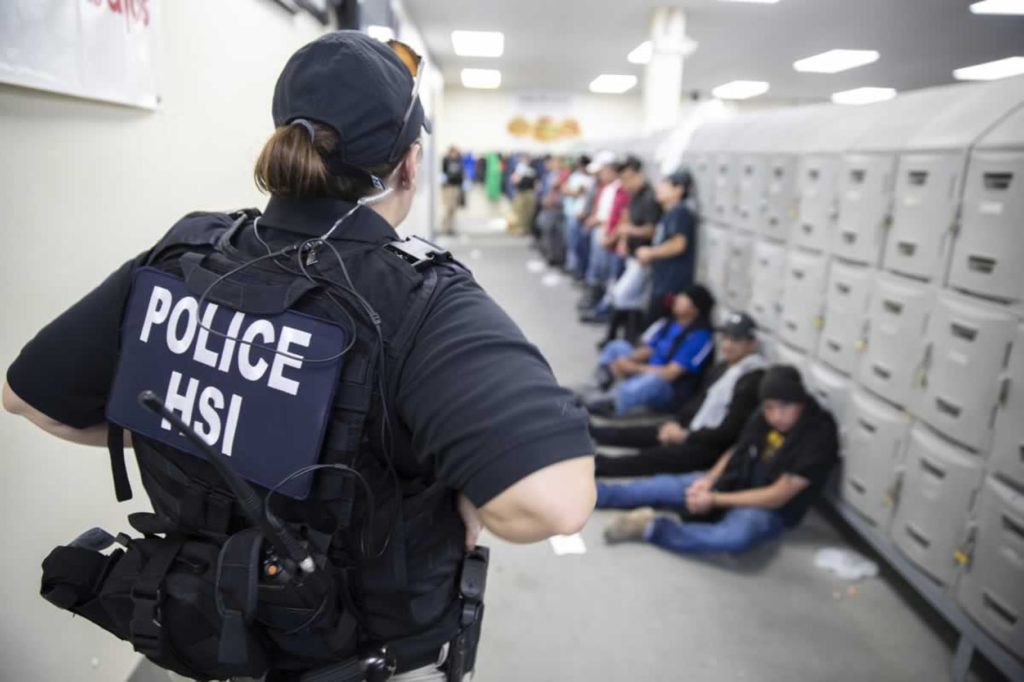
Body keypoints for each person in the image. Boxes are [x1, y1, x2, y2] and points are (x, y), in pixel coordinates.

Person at [2, 32, 595, 682]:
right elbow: (553, 503)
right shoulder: (419, 297)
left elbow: (30, 399)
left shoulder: (191, 249)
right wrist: (468, 495)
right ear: (410, 164)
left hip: (192, 628)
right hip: (354, 657)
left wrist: (189, 422)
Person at [597, 365, 839, 556]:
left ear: (800, 401)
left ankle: (650, 528)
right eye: (769, 408)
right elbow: (738, 449)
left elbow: (778, 495)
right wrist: (710, 479)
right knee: (660, 486)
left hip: (767, 508)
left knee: (734, 537)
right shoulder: (763, 416)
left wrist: (714, 499)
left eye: (785, 407)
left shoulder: (818, 434)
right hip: (735, 480)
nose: (776, 416)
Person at [593, 312, 766, 477]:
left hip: (709, 447)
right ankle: (592, 433)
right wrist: (676, 424)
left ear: (751, 344)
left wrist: (686, 436)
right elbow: (699, 402)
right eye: (726, 338)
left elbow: (728, 431)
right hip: (692, 429)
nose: (727, 345)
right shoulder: (724, 367)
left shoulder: (752, 378)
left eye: (736, 340)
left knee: (654, 458)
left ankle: (599, 465)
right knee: (646, 433)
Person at [587, 284, 716, 417]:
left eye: (684, 298)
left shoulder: (700, 337)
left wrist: (633, 368)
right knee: (618, 347)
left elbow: (670, 373)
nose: (677, 299)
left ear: (695, 308)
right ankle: (598, 384)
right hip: (649, 369)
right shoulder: (670, 323)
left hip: (669, 388)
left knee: (653, 381)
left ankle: (614, 404)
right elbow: (650, 348)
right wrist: (626, 360)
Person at [594, 155, 663, 340]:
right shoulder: (634, 196)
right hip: (631, 254)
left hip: (643, 258)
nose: (624, 183)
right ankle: (624, 337)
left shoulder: (649, 197)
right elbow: (627, 217)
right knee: (631, 300)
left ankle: (615, 336)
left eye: (627, 178)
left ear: (637, 174)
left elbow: (651, 229)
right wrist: (623, 239)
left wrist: (629, 231)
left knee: (622, 296)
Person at [636, 169, 698, 323]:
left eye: (665, 185)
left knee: (657, 323)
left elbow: (678, 244)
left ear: (678, 190)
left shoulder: (680, 212)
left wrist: (650, 253)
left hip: (671, 284)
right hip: (662, 280)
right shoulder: (670, 212)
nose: (658, 188)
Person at [577, 151, 629, 315]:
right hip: (603, 232)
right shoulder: (605, 188)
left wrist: (612, 235)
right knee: (598, 268)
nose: (600, 175)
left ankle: (606, 307)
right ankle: (598, 301)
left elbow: (620, 216)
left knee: (610, 273)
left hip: (610, 235)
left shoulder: (620, 189)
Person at [561, 155, 594, 278]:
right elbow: (566, 190)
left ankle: (578, 269)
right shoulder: (575, 176)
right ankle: (572, 266)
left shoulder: (590, 179)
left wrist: (574, 192)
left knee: (579, 245)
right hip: (571, 213)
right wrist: (574, 192)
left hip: (581, 216)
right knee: (571, 242)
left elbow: (579, 193)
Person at [509, 155, 538, 236]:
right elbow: (514, 180)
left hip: (530, 192)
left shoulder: (532, 168)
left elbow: (535, 181)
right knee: (519, 211)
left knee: (528, 212)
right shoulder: (519, 168)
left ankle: (527, 228)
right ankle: (519, 228)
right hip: (521, 192)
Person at [440, 146, 464, 236]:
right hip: (448, 187)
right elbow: (444, 172)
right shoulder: (446, 160)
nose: (455, 155)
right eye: (453, 153)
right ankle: (445, 228)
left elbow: (461, 174)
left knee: (454, 209)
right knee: (448, 208)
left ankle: (452, 228)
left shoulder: (458, 161)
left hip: (456, 187)